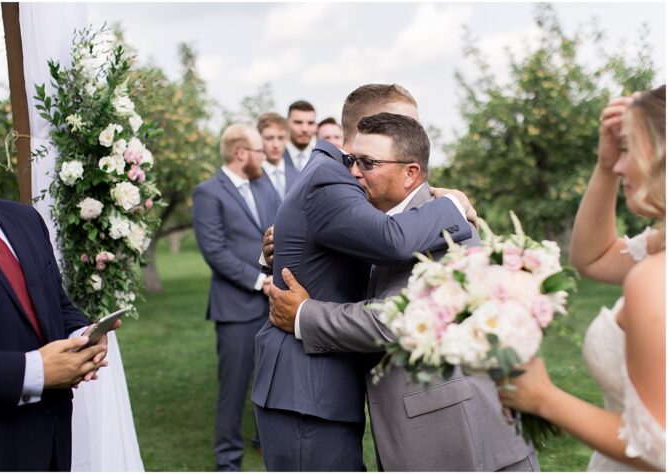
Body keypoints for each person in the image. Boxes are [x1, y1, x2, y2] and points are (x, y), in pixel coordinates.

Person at [265, 112, 537, 471]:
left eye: (368, 163)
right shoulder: (381, 223)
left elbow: (400, 318)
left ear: (411, 173)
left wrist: (304, 315)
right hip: (417, 432)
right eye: (351, 161)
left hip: (462, 438)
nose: (354, 172)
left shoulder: (446, 226)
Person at [251, 84, 478, 471]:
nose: (416, 138)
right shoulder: (332, 180)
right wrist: (455, 205)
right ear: (363, 129)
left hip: (323, 382)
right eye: (404, 124)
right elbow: (391, 240)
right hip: (306, 386)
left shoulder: (340, 177)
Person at [499, 86, 666, 471]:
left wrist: (542, 397)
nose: (620, 165)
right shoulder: (658, 248)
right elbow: (592, 257)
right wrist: (604, 166)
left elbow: (657, 445)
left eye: (628, 149)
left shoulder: (653, 279)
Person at [0, 83, 114, 471]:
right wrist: (37, 372)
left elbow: (55, 303)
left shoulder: (25, 219)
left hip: (52, 440)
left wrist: (83, 336)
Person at [192, 123, 281, 471]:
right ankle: (228, 460)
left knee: (271, 380)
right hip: (235, 309)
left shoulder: (263, 186)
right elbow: (214, 252)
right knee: (233, 390)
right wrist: (260, 283)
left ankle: (266, 444)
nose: (265, 155)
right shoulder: (207, 193)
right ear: (242, 153)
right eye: (259, 150)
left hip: (272, 304)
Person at [257, 112, 294, 200]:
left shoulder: (298, 177)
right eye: (269, 138)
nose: (276, 145)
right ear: (258, 139)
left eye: (281, 138)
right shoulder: (250, 176)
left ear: (287, 139)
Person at [283, 100, 318, 173]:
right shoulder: (273, 157)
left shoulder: (321, 158)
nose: (305, 129)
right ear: (286, 123)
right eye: (298, 122)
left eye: (310, 123)